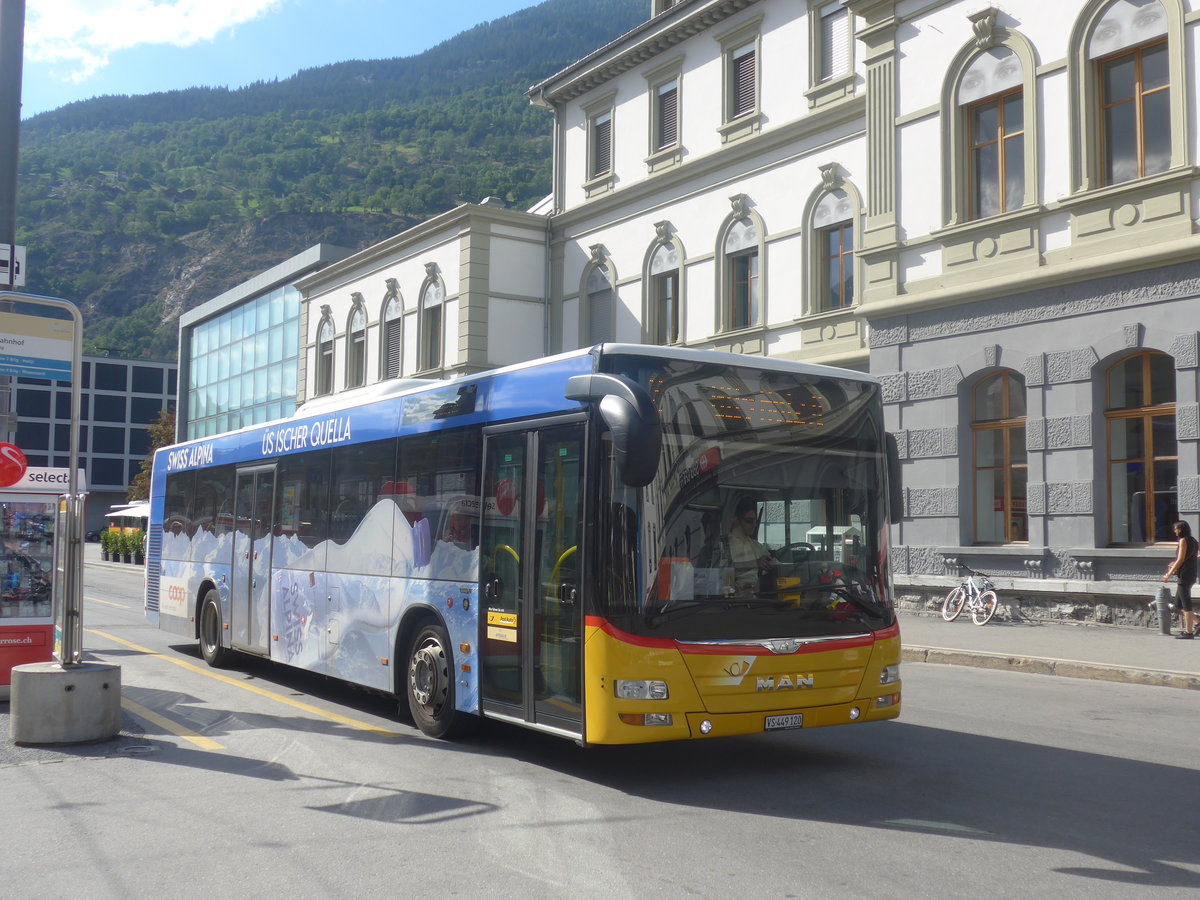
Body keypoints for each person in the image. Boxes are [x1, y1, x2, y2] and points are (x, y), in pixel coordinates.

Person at [728, 497, 774, 593]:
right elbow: (723, 569)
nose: (754, 525)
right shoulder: (724, 546)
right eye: (749, 521)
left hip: (754, 598)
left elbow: (775, 564)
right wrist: (755, 563)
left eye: (755, 521)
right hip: (731, 600)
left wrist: (769, 562)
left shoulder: (757, 546)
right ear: (736, 521)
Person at [1163, 520, 1198, 639]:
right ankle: (1198, 622)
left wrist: (1169, 573)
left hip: (1184, 575)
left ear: (1181, 529)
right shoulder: (1194, 540)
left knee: (1186, 604)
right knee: (1178, 604)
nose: (1174, 531)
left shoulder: (1183, 540)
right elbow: (1193, 555)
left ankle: (1189, 633)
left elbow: (1180, 559)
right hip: (1191, 573)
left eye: (1176, 529)